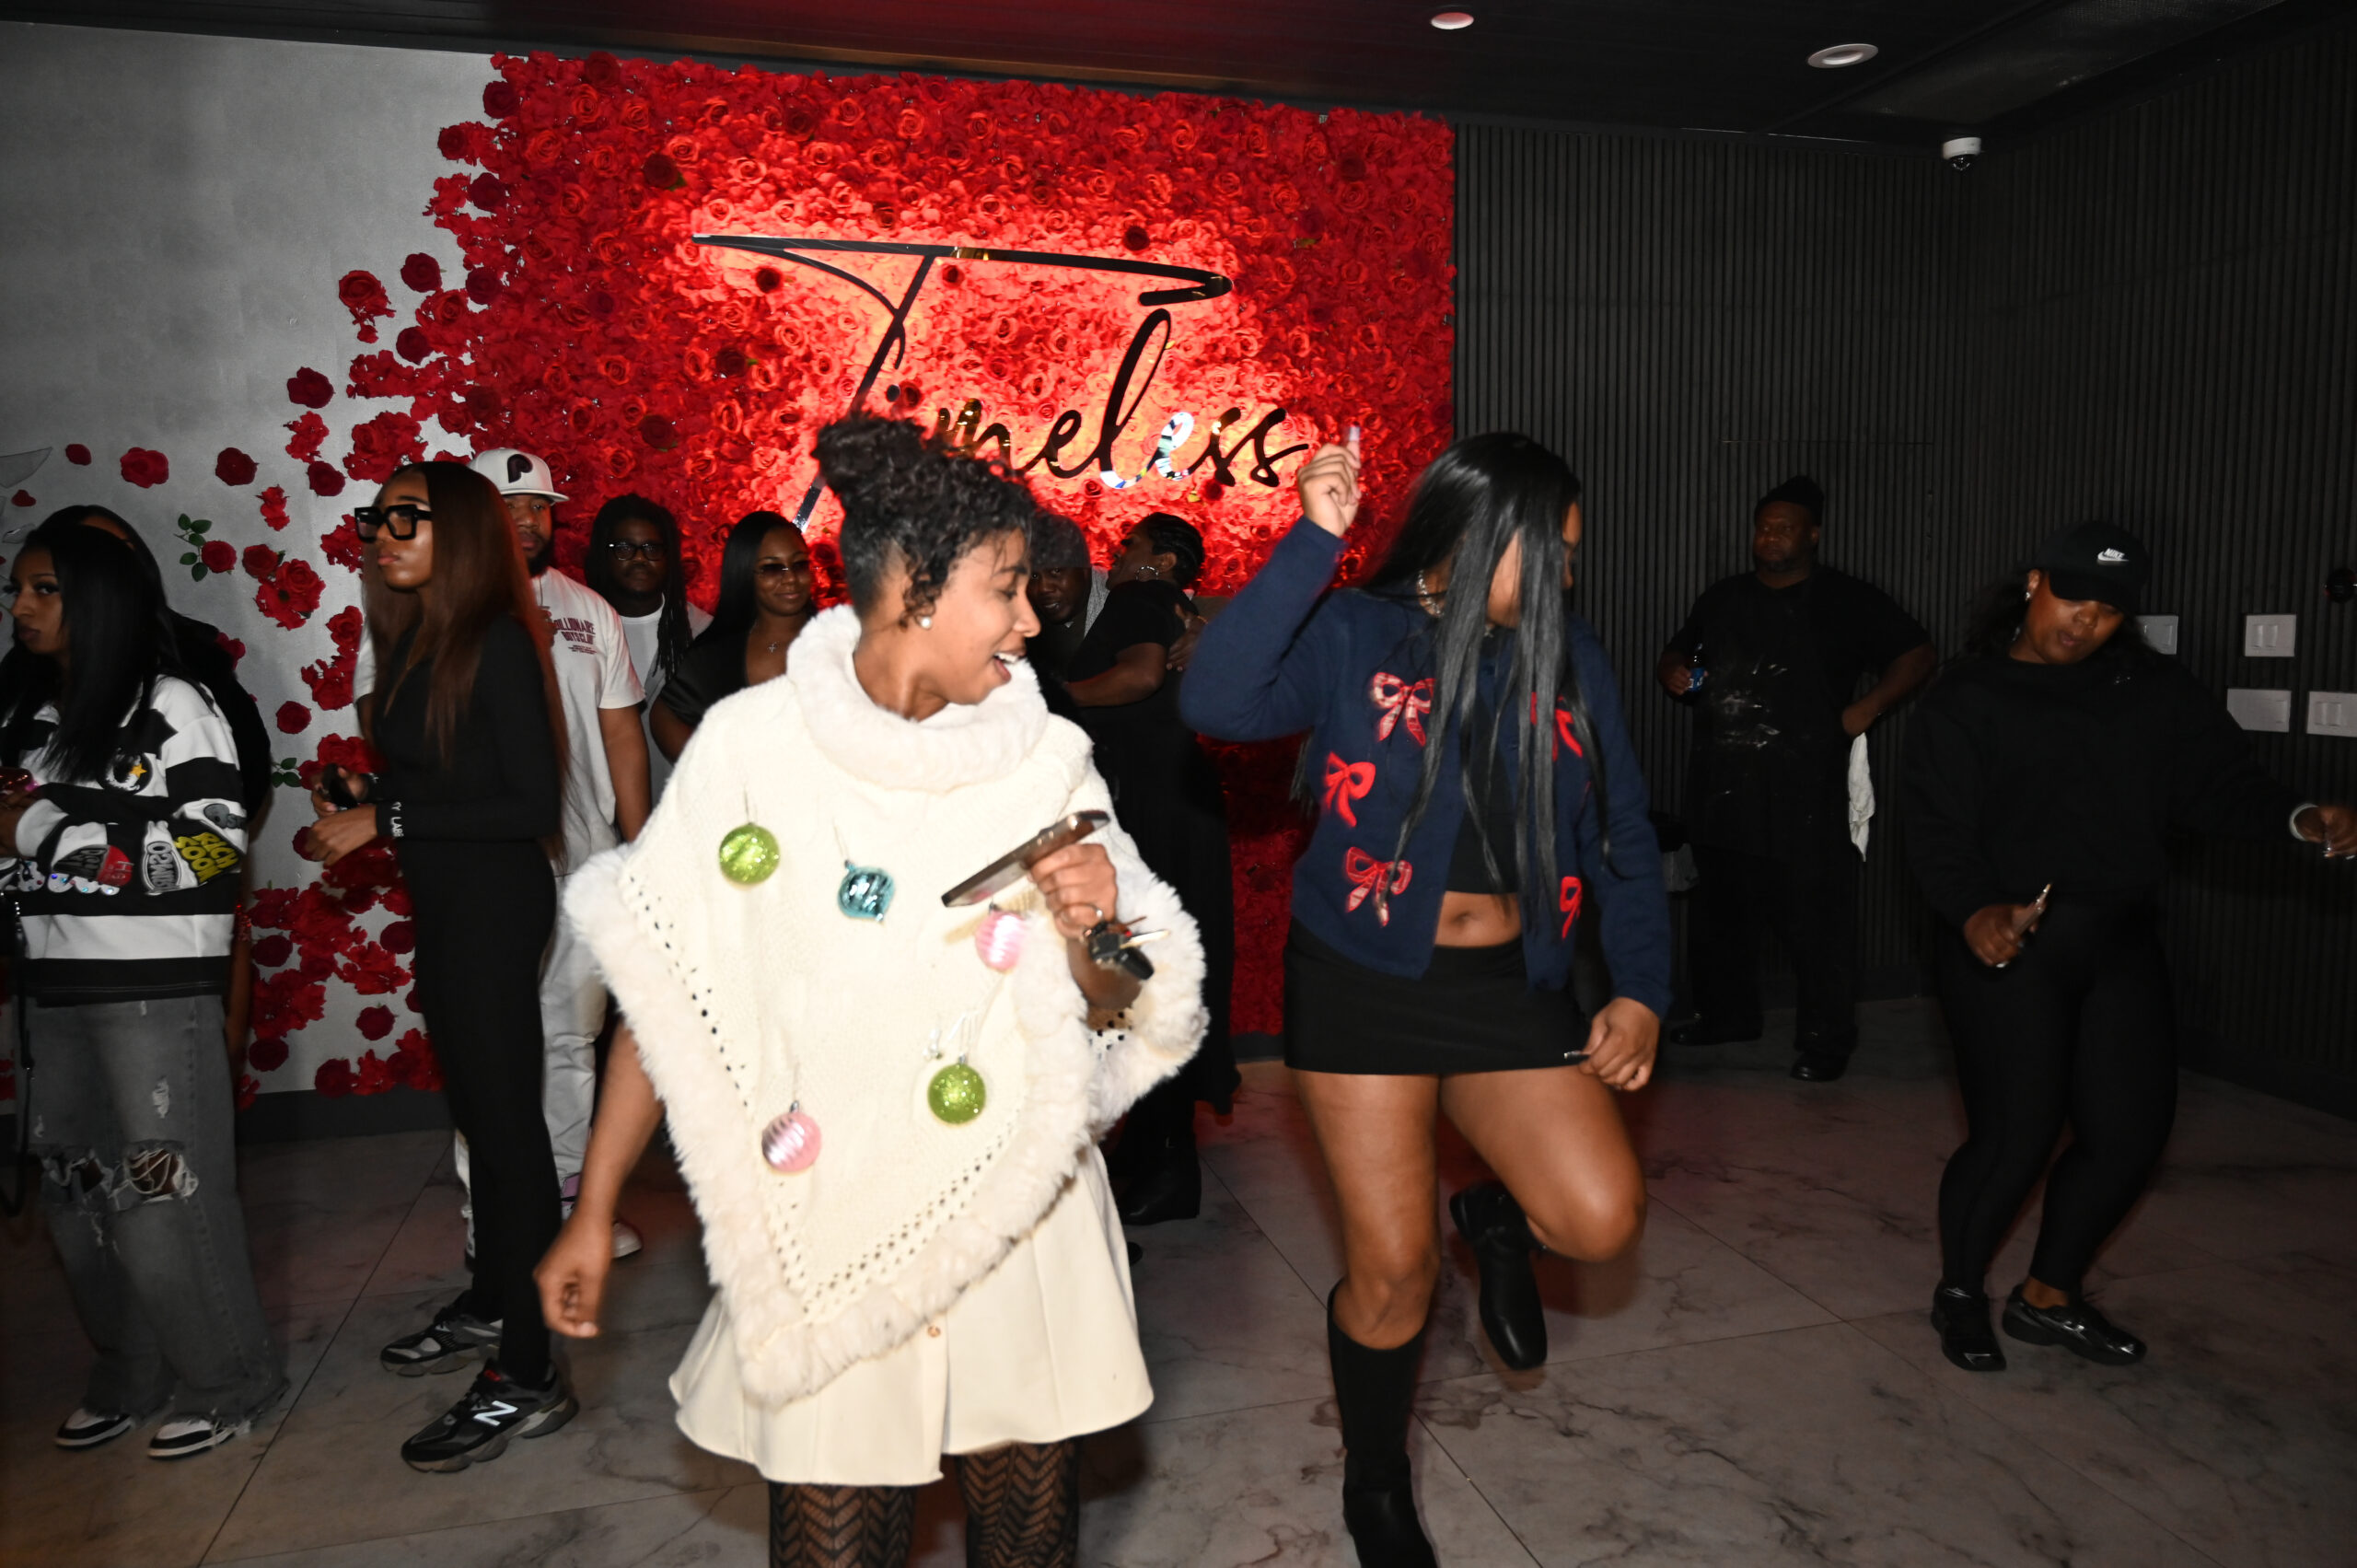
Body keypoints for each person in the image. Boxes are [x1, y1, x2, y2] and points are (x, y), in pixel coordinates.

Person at [536, 413, 1206, 1566]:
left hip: (1017, 1207)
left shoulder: (1044, 757)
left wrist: (1095, 921)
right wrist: (594, 1207)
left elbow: (1112, 999)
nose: (1033, 620)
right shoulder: (751, 750)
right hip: (828, 1203)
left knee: (1028, 1545)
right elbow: (671, 989)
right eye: (1007, 588)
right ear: (916, 589)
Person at [1181, 431, 1670, 1568]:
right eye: (1548, 550)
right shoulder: (1355, 630)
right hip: (1362, 986)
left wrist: (1643, 989)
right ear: (1471, 535)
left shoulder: (1569, 657)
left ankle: (1494, 1220)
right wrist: (1313, 540)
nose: (1565, 574)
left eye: (1571, 555)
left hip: (1510, 988)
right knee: (1393, 1273)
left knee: (1599, 1217)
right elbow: (1216, 697)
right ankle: (1376, 1478)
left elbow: (1622, 833)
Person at [1902, 522, 2355, 1375]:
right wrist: (1973, 911)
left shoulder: (2152, 689)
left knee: (2130, 1134)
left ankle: (2049, 1295)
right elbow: (1934, 828)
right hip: (2011, 944)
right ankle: (1959, 1290)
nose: (2085, 620)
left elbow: (2222, 786)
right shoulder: (1967, 696)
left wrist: (2299, 818)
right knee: (2015, 1137)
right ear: (2034, 582)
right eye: (2073, 597)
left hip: (2119, 940)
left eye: (2108, 611)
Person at [308, 460, 575, 1469]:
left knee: (509, 1136)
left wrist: (389, 815)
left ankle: (530, 1371)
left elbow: (530, 805)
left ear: (457, 531)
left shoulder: (498, 639)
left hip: (496, 906)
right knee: (480, 1120)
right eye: (375, 519)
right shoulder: (420, 637)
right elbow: (451, 781)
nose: (383, 534)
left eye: (406, 518)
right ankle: (498, 1301)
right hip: (453, 903)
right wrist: (371, 793)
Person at [2, 515, 284, 1463]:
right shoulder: (32, 718)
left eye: (44, 588)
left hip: (153, 993)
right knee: (76, 1194)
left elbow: (210, 848)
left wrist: (37, 831)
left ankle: (229, 1378)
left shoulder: (175, 704)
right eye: (17, 589)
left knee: (164, 1194)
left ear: (98, 599)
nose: (21, 605)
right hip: (52, 994)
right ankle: (130, 1371)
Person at [358, 448, 651, 1281]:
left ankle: (572, 1206)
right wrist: (382, 799)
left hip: (580, 858)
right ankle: (491, 1227)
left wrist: (641, 852)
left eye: (540, 506)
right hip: (477, 862)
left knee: (570, 1040)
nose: (528, 519)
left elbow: (621, 734)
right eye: (510, 504)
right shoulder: (413, 618)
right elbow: (393, 731)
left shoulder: (587, 609)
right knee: (490, 1065)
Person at [1655, 475, 1935, 1081]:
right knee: (1720, 916)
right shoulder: (1723, 597)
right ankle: (1727, 1016)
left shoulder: (1848, 598)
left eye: (1785, 527)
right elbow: (1681, 652)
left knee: (1817, 923)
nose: (1771, 536)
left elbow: (1918, 653)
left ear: (1813, 535)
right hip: (1723, 785)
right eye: (1764, 526)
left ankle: (1825, 1039)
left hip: (1807, 791)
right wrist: (1674, 669)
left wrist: (1867, 708)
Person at [51, 505, 276, 1063]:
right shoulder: (29, 673)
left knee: (192, 1066)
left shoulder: (188, 656)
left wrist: (190, 839)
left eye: (124, 552)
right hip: (66, 910)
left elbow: (248, 769)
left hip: (181, 874)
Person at [1065, 512, 1238, 1225]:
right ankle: (1155, 1146)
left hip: (1155, 811)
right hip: (1176, 801)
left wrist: (1058, 696)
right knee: (1162, 972)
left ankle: (1169, 1161)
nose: (1118, 551)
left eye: (1130, 543)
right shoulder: (1174, 607)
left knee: (1150, 973)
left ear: (1163, 559)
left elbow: (1137, 676)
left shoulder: (1141, 596)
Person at [650, 510, 815, 761]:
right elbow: (664, 715)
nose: (791, 578)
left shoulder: (842, 638)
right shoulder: (720, 653)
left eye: (800, 564)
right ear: (744, 573)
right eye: (772, 568)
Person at [582, 493, 711, 802]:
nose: (640, 558)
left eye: (652, 548)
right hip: (601, 815)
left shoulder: (704, 634)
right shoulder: (581, 632)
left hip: (683, 812)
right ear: (604, 555)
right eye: (624, 548)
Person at [1024, 509, 1107, 683]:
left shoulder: (1123, 601)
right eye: (1034, 576)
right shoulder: (1022, 615)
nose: (1043, 588)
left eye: (1056, 571)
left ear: (1085, 570)